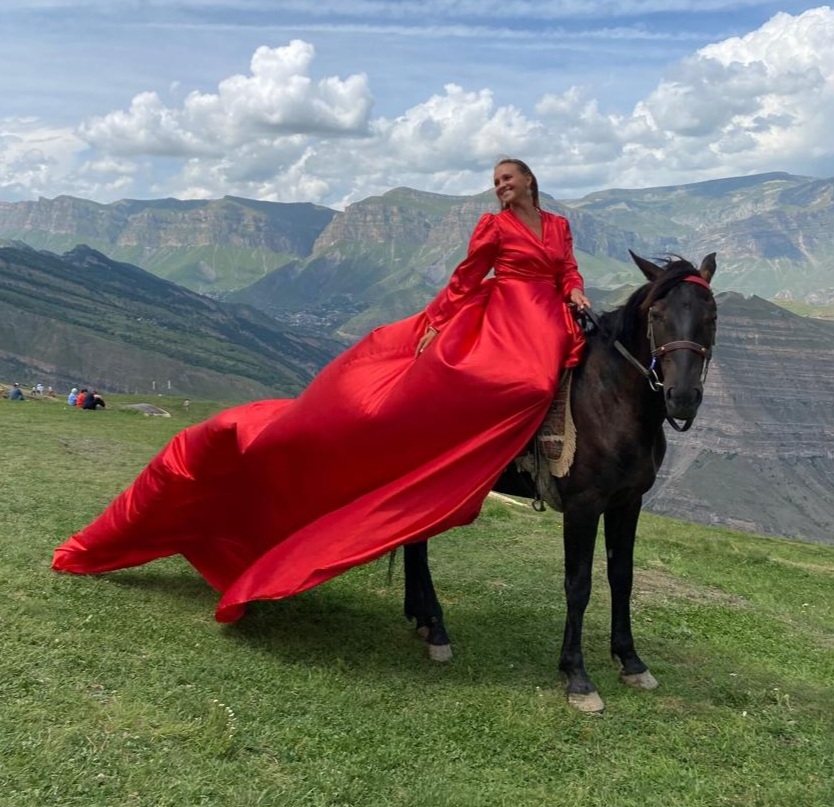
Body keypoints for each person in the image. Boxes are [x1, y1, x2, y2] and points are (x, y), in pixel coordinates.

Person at [53, 158, 591, 623]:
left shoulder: (558, 225)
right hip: (506, 314)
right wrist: (437, 320)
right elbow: (468, 276)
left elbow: (566, 269)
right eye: (495, 181)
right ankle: (500, 460)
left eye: (508, 178)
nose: (500, 186)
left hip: (548, 313)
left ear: (529, 181)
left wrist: (576, 292)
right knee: (525, 382)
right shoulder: (493, 226)